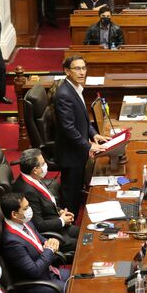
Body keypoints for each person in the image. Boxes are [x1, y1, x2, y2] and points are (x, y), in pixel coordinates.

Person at [54, 56, 109, 215]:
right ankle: (67, 231)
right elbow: (68, 128)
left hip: (78, 152)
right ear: (66, 71)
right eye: (77, 68)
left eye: (84, 68)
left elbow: (82, 118)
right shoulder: (64, 94)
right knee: (70, 197)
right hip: (70, 154)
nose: (82, 72)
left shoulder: (75, 88)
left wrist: (94, 134)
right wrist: (89, 145)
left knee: (76, 192)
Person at [0, 193, 70, 293]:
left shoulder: (23, 221)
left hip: (47, 271)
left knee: (78, 277)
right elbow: (34, 271)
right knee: (73, 290)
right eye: (26, 208)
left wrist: (51, 242)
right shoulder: (12, 243)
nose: (30, 209)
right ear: (14, 214)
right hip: (35, 284)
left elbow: (40, 240)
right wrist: (49, 250)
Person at [13, 148, 79, 253]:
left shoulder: (32, 177)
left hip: (56, 221)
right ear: (35, 170)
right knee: (85, 243)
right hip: (52, 234)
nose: (46, 165)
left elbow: (45, 201)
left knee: (88, 233)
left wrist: (59, 211)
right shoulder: (28, 191)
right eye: (43, 163)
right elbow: (38, 224)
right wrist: (62, 221)